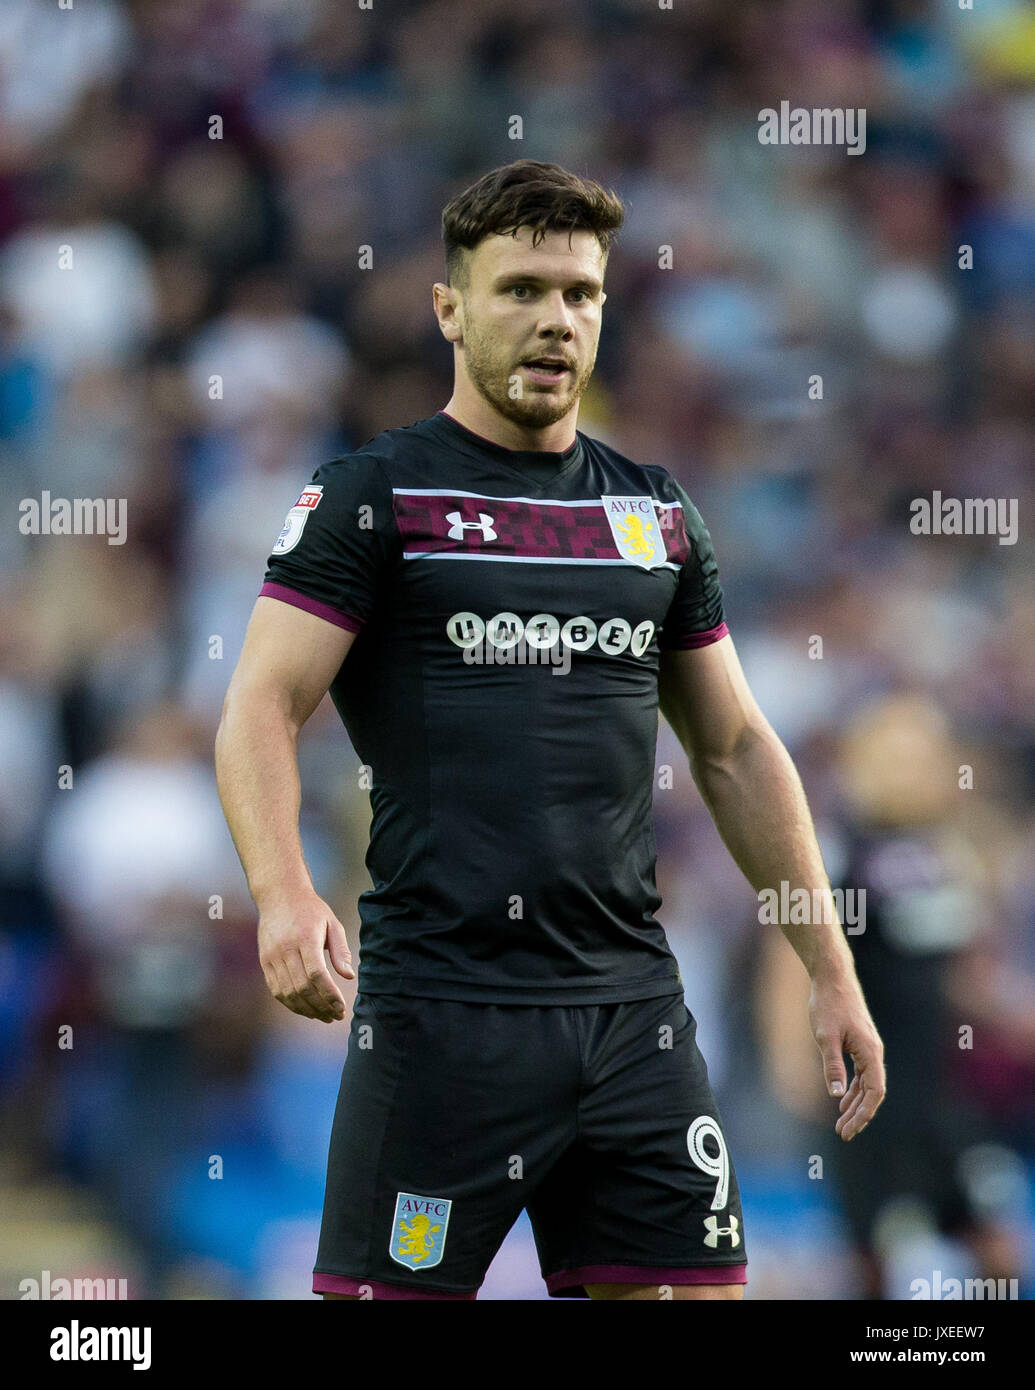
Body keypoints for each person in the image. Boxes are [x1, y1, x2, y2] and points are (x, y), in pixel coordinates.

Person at [214, 159, 885, 1301]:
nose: (554, 320)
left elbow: (733, 747)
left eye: (579, 293)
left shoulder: (652, 511)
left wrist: (829, 965)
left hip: (631, 1014)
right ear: (449, 308)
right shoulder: (376, 497)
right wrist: (282, 892)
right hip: (441, 1015)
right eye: (521, 288)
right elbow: (261, 708)